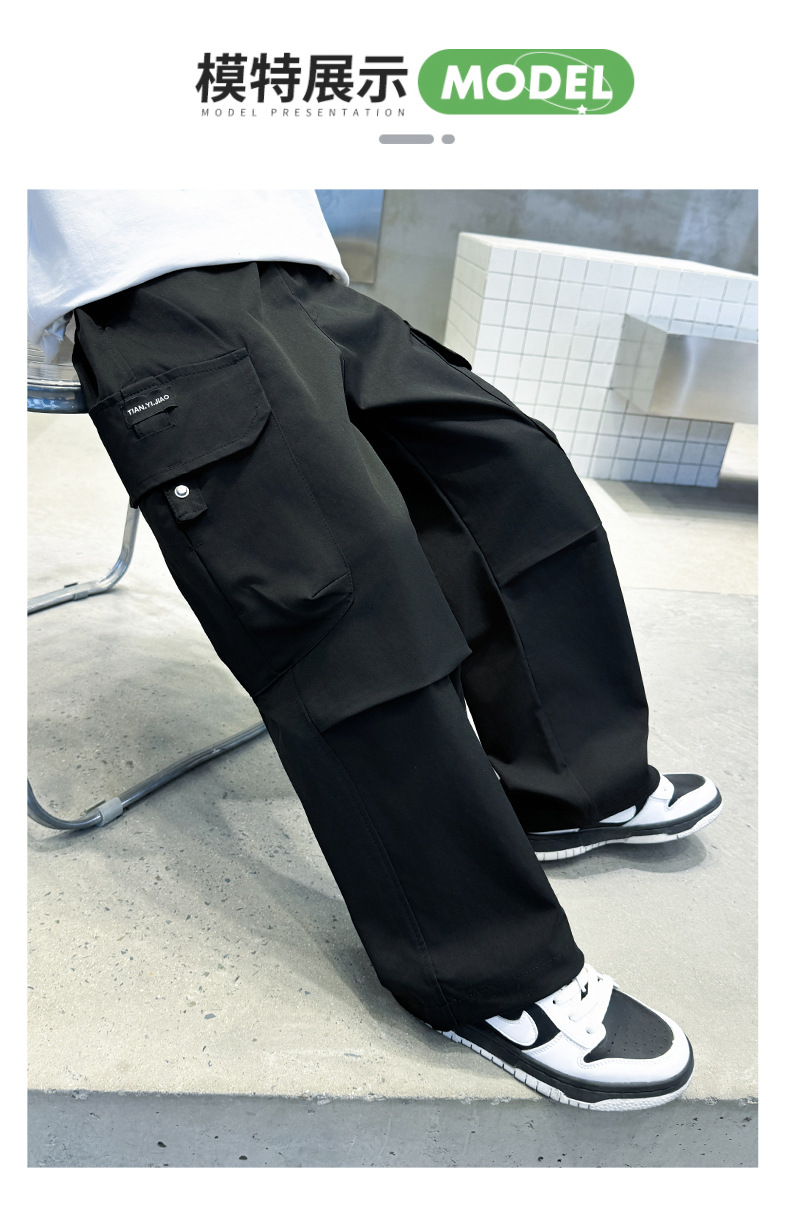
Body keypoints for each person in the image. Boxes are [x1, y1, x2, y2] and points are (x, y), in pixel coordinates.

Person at [28, 189, 722, 1112]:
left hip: (294, 265)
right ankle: (484, 969)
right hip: (144, 291)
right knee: (343, 592)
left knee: (514, 478)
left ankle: (574, 785)